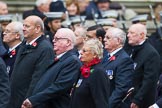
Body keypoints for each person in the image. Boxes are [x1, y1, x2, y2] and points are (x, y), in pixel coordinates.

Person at [21, 28, 82, 108]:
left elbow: (59, 87)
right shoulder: (61, 58)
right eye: (54, 38)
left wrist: (34, 100)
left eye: (57, 39)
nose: (53, 41)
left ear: (68, 42)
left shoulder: (72, 61)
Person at [8, 15, 54, 108]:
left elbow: (39, 79)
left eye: (27, 26)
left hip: (26, 102)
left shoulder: (45, 48)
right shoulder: (25, 44)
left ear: (37, 28)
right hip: (14, 98)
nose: (23, 29)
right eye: (23, 26)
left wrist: (29, 101)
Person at [127, 23, 160, 108]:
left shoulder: (151, 53)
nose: (128, 35)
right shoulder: (133, 49)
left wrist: (138, 99)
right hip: (131, 96)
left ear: (141, 35)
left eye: (131, 33)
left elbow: (149, 80)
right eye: (128, 33)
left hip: (142, 101)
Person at [69, 39, 109, 108]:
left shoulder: (98, 72)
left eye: (84, 51)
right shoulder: (83, 69)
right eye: (82, 50)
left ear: (94, 54)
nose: (81, 53)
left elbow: (101, 101)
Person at [102, 27, 134, 108]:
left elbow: (121, 89)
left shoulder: (124, 60)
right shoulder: (105, 56)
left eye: (108, 38)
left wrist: (107, 106)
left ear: (118, 41)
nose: (104, 40)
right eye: (105, 37)